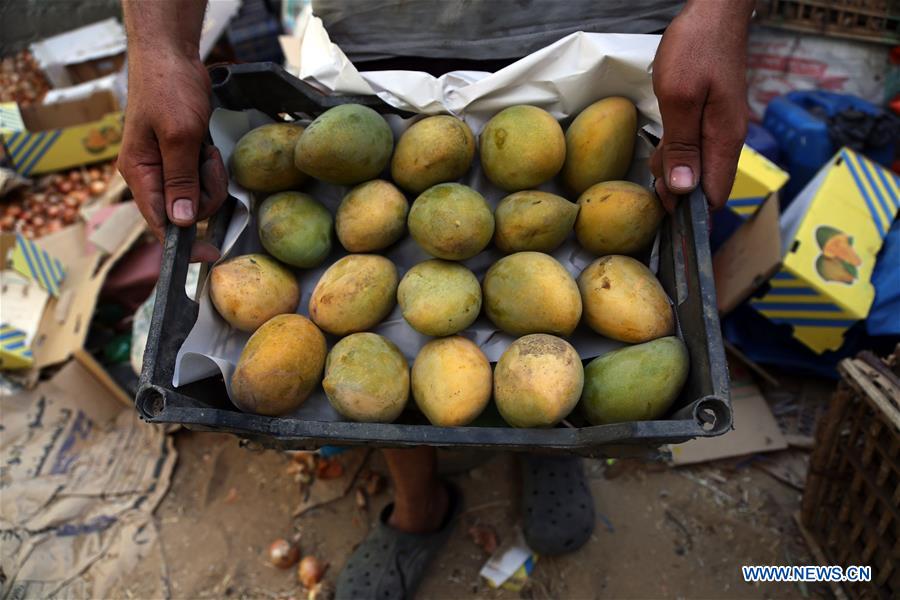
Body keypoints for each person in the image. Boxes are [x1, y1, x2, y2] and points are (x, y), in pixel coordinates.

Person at [119, 1, 753, 598]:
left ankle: (548, 442)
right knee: (393, 382)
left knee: (536, 395)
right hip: (377, 52)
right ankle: (422, 499)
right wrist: (159, 49)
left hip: (600, 36)